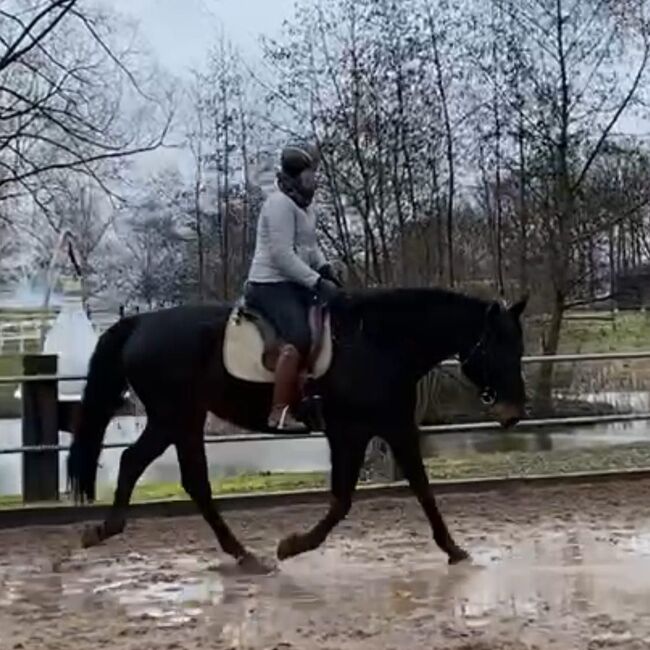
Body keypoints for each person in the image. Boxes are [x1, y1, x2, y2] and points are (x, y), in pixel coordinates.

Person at [244, 141, 341, 431]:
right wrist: (316, 282)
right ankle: (280, 412)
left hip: (295, 282)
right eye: (309, 176)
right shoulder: (278, 205)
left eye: (314, 176)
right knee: (298, 336)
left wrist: (325, 269)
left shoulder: (305, 208)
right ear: (295, 177)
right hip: (269, 284)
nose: (313, 182)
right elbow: (282, 256)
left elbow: (309, 248)